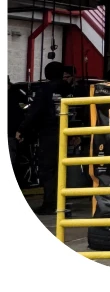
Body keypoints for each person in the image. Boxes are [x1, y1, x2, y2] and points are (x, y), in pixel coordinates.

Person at [15, 62, 65, 214]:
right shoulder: (69, 88)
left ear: (46, 73)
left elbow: (35, 111)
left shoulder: (45, 89)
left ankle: (50, 203)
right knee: (62, 168)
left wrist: (22, 129)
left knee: (47, 169)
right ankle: (62, 201)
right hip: (68, 131)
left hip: (49, 133)